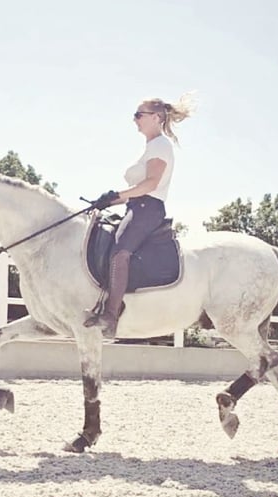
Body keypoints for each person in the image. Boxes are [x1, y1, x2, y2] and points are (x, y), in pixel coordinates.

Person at [84, 93, 195, 338]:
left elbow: (151, 184)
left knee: (119, 253)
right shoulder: (151, 146)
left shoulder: (160, 145)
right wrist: (107, 201)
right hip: (137, 206)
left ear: (156, 117)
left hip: (148, 209)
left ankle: (112, 315)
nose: (134, 119)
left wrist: (116, 195)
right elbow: (139, 190)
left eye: (138, 115)